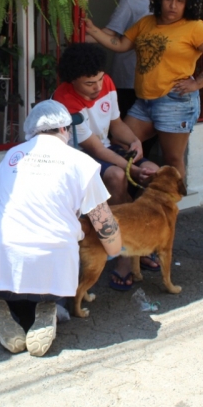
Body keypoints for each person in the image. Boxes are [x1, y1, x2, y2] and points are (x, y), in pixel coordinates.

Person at [0, 100, 123, 356]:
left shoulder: (13, 156)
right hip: (51, 271)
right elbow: (107, 229)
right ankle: (52, 307)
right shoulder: (81, 162)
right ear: (65, 130)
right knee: (66, 262)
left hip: (2, 262)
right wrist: (115, 250)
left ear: (31, 131)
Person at [85, 0, 203, 183]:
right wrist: (93, 31)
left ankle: (171, 210)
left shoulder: (194, 27)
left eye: (180, 1)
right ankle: (134, 192)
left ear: (188, 3)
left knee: (172, 158)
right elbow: (121, 45)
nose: (173, 6)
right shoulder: (147, 22)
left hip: (175, 101)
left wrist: (199, 82)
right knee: (121, 144)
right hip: (145, 101)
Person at [53, 43, 159, 290]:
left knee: (155, 173)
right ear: (72, 81)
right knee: (116, 176)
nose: (98, 87)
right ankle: (124, 252)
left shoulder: (107, 83)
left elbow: (116, 124)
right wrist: (132, 169)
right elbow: (95, 149)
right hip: (79, 157)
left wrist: (134, 140)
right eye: (90, 84)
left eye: (100, 80)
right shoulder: (65, 99)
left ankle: (137, 242)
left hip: (107, 149)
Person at [101, 0, 166, 116]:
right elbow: (112, 32)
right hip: (129, 77)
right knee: (127, 130)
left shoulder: (169, 0)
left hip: (158, 80)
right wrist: (85, 36)